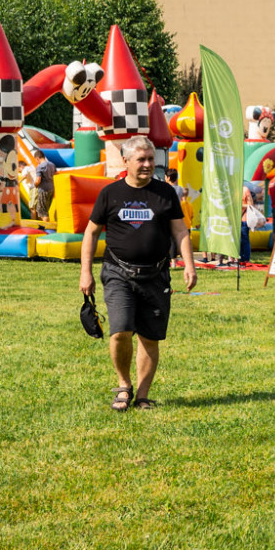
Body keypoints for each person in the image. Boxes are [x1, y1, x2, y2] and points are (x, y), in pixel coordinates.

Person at [80, 135, 196, 412]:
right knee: (120, 330)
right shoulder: (110, 193)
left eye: (150, 159)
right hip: (118, 272)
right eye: (141, 160)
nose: (147, 165)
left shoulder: (165, 193)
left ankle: (143, 395)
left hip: (156, 275)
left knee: (149, 337)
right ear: (126, 161)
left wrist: (189, 264)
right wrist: (86, 272)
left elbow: (179, 230)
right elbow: (91, 232)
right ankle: (123, 384)